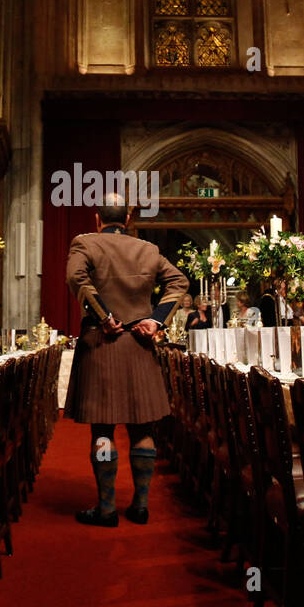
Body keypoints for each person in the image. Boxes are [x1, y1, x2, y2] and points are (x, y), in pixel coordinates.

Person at [64, 194, 188, 527]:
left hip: (102, 346)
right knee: (142, 428)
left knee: (103, 430)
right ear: (129, 219)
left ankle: (106, 509)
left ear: (97, 219)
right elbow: (179, 282)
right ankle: (141, 506)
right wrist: (156, 319)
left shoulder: (85, 243)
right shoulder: (148, 250)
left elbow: (76, 279)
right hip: (139, 346)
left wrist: (105, 316)